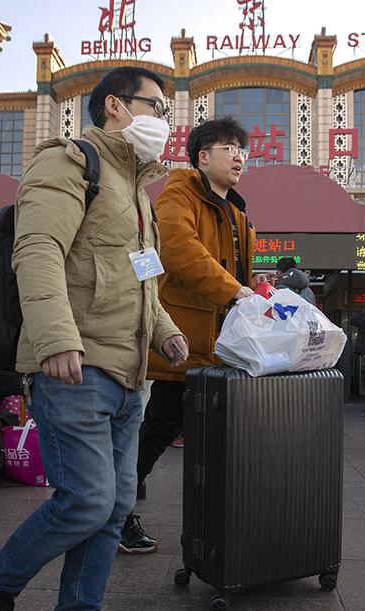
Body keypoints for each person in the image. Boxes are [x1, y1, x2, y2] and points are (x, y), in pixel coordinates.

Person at [0, 66, 185, 611]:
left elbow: (144, 280)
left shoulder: (137, 191)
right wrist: (56, 336)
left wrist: (165, 333)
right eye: (154, 107)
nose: (162, 121)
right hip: (75, 364)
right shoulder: (68, 162)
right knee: (86, 501)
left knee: (114, 508)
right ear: (115, 106)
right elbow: (37, 251)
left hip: (128, 372)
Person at [124, 116, 263, 555]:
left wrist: (255, 289)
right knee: (160, 428)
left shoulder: (236, 211)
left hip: (220, 347)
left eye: (243, 149)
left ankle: (214, 522)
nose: (240, 155)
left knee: (199, 435)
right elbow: (180, 250)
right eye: (229, 148)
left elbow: (233, 273)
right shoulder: (181, 190)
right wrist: (235, 290)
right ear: (203, 156)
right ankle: (116, 511)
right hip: (183, 342)